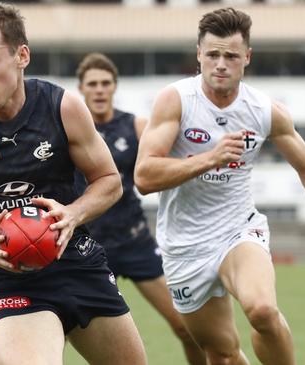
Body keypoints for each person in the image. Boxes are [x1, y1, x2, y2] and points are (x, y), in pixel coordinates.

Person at [0, 3, 147, 365]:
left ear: (22, 56)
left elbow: (109, 181)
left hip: (78, 264)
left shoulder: (62, 106)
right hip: (9, 282)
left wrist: (72, 214)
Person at [133, 7, 305, 365]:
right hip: (184, 245)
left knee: (262, 311)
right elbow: (144, 176)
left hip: (238, 230)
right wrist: (210, 158)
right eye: (212, 55)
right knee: (222, 353)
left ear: (247, 58)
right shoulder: (176, 100)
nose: (221, 64)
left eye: (230, 55)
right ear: (199, 54)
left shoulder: (263, 110)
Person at [74, 52, 205, 365]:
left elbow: (166, 163)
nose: (100, 89)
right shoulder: (70, 129)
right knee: (61, 331)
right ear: (81, 89)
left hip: (135, 243)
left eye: (106, 83)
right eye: (92, 84)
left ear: (115, 87)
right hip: (88, 245)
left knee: (187, 327)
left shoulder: (135, 126)